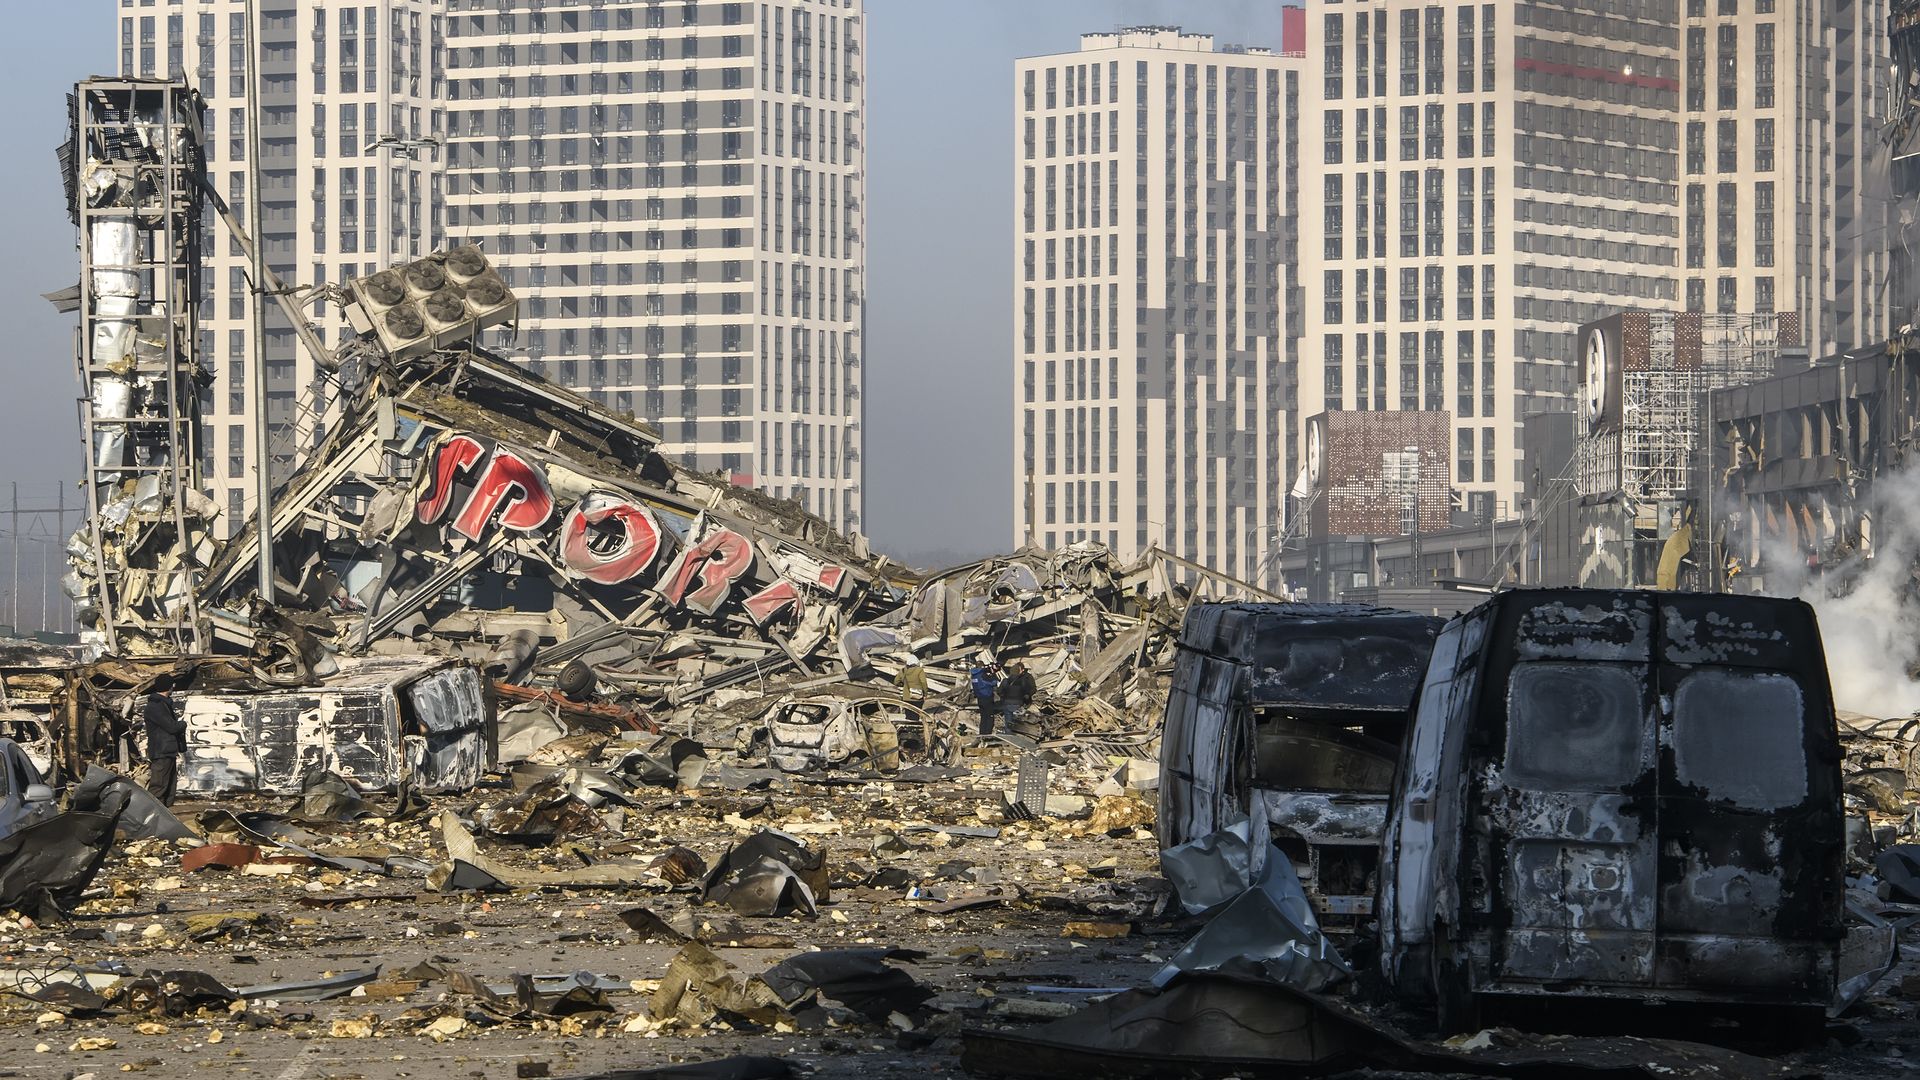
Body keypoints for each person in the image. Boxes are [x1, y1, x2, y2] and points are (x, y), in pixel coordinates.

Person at [143, 686, 187, 806]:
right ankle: (153, 813)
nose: (173, 687)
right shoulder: (155, 706)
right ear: (166, 686)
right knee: (159, 785)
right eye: (171, 685)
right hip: (161, 751)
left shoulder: (164, 704)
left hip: (167, 750)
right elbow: (171, 727)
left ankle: (166, 814)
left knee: (170, 786)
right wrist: (183, 724)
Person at [998, 660, 1036, 733]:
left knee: (1008, 720)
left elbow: (999, 691)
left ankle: (1009, 734)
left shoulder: (1005, 680)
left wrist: (1003, 697)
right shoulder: (1023, 681)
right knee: (1020, 720)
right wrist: (1026, 697)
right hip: (1019, 703)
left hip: (1007, 703)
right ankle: (1018, 733)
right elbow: (1027, 690)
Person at [969, 661, 1001, 736]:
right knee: (989, 717)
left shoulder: (974, 675)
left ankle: (982, 734)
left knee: (983, 718)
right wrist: (993, 674)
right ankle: (987, 735)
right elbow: (993, 683)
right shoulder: (982, 675)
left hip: (980, 698)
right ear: (982, 667)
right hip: (987, 697)